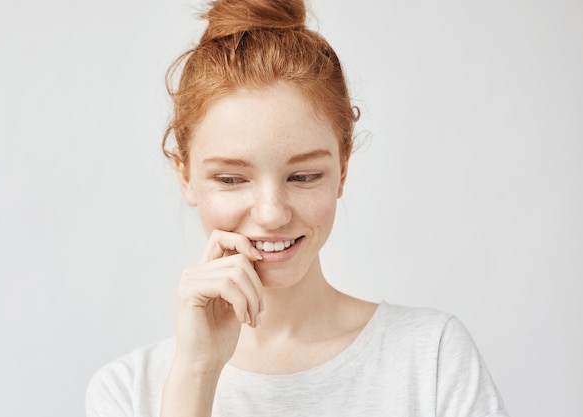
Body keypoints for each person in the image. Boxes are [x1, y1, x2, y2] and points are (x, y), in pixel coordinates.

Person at [86, 1, 509, 416]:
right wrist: (196, 375)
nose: (271, 215)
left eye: (304, 177)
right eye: (231, 179)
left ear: (342, 170)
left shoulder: (431, 359)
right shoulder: (127, 392)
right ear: (185, 176)